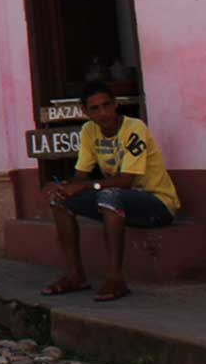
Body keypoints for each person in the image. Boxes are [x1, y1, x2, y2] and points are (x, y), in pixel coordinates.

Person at [42, 81, 180, 302]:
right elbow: (81, 175)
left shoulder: (135, 128)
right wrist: (63, 187)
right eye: (95, 108)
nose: (103, 113)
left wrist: (87, 186)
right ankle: (75, 275)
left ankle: (115, 279)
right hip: (120, 202)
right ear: (85, 112)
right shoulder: (89, 131)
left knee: (110, 196)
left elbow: (125, 181)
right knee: (59, 200)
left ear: (116, 105)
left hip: (157, 204)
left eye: (107, 105)